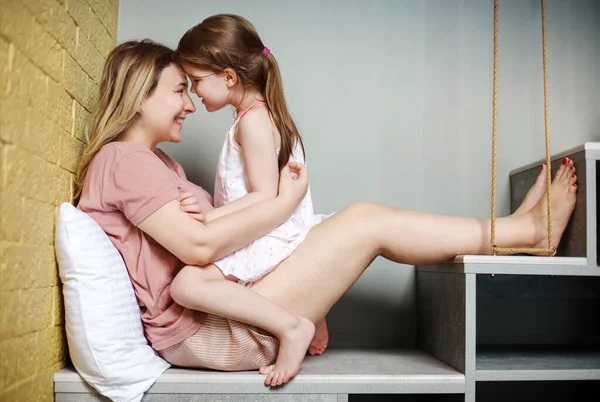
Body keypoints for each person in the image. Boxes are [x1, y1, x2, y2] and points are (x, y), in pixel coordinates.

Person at [75, 37, 577, 388]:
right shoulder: (123, 161)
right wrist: (285, 203)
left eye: (190, 87)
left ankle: (517, 230)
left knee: (359, 218)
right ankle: (522, 230)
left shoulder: (156, 162)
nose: (187, 103)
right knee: (366, 221)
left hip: (220, 308)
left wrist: (212, 209)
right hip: (204, 331)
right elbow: (200, 245)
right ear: (140, 99)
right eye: (177, 90)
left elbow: (214, 228)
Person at [174, 14, 332, 360]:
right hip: (272, 224)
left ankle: (294, 326)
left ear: (229, 77)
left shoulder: (254, 122)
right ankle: (313, 314)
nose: (194, 91)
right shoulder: (256, 116)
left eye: (197, 80)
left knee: (186, 285)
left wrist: (213, 216)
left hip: (273, 231)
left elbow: (265, 196)